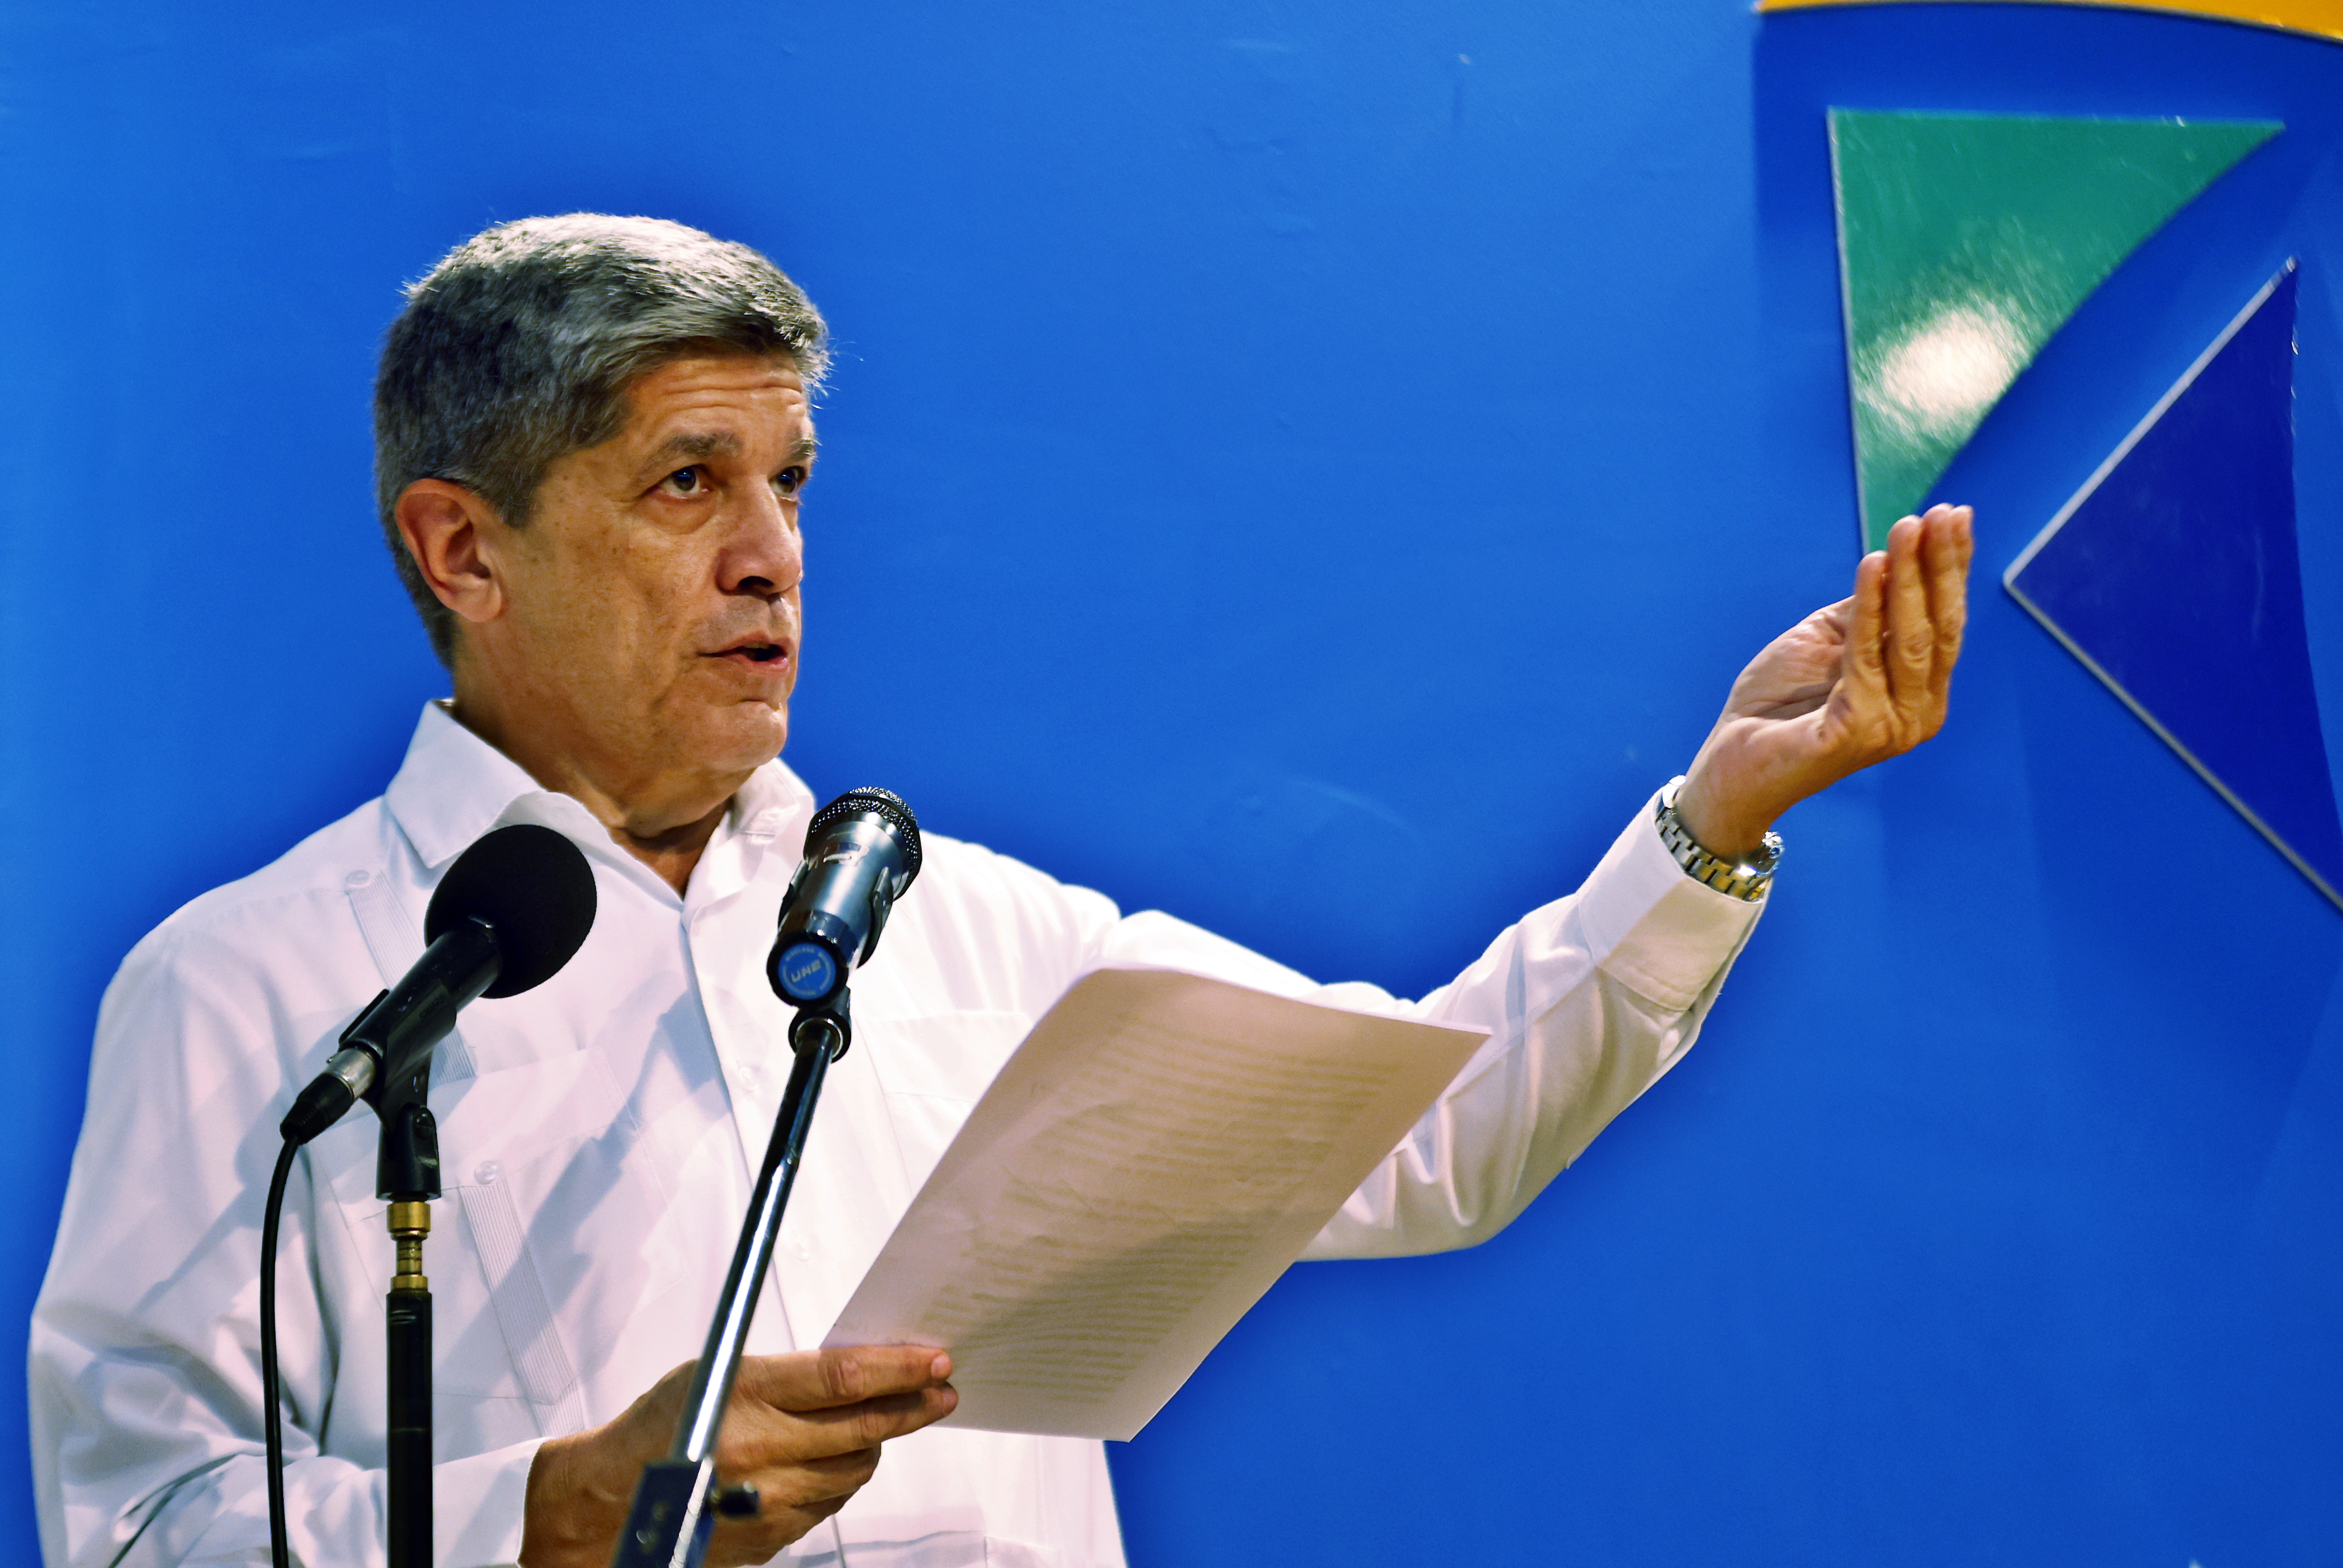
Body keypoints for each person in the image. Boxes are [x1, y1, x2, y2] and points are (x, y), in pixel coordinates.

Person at [28, 214, 1973, 1568]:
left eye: (792, 484)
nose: (772, 557)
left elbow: (1434, 1127)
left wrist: (1714, 818)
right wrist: (532, 1522)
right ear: (463, 549)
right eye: (688, 485)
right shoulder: (260, 995)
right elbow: (133, 1525)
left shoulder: (968, 925)